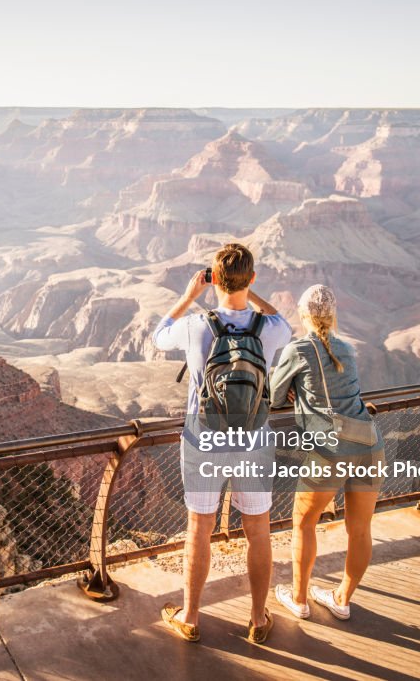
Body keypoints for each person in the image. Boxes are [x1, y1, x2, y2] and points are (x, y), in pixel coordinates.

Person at [152, 243, 292, 645]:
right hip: (253, 443)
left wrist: (188, 297)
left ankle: (191, 617)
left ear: (214, 280)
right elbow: (283, 320)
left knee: (199, 527)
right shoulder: (269, 329)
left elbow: (160, 337)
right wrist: (252, 293)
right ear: (251, 279)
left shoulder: (197, 325)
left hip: (203, 442)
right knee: (258, 530)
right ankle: (256, 617)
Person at [269, 284, 384, 622]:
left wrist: (292, 390)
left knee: (303, 523)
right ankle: (341, 600)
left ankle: (300, 599)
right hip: (369, 446)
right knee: (360, 530)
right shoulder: (347, 349)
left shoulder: (298, 349)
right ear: (333, 316)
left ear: (302, 315)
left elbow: (274, 397)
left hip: (330, 451)